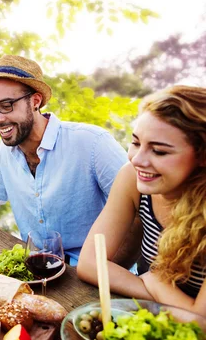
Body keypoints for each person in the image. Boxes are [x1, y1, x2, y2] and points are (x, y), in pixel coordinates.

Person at [0, 54, 132, 266]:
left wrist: (105, 270)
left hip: (96, 270)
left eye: (6, 105)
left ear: (35, 101)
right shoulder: (4, 153)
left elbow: (138, 211)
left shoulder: (93, 143)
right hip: (37, 266)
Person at [77, 86, 206, 315]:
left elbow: (201, 318)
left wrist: (156, 282)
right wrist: (152, 289)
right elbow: (89, 264)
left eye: (159, 151)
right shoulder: (131, 177)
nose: (137, 160)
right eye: (136, 143)